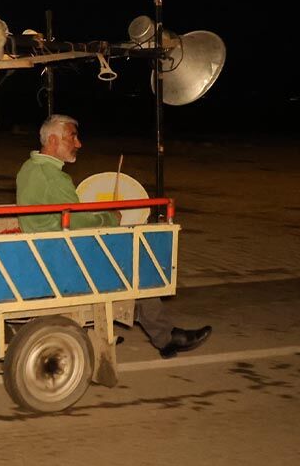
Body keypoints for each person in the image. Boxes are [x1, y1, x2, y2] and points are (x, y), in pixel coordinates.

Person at [15, 114, 211, 358]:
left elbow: (67, 214)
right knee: (136, 264)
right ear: (53, 140)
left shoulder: (30, 168)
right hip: (61, 255)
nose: (78, 144)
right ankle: (165, 337)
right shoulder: (51, 176)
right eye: (73, 137)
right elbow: (76, 219)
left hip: (48, 248)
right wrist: (109, 217)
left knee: (120, 258)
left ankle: (107, 329)